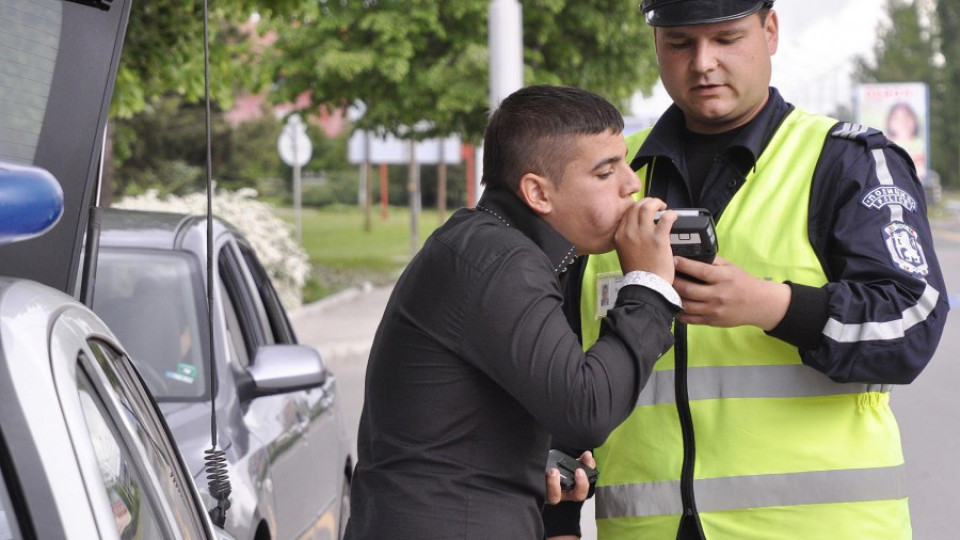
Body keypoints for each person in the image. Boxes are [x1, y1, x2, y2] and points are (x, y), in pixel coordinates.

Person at [544, 1, 950, 539]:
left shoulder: (845, 162)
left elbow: (913, 323)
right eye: (681, 43)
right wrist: (558, 516)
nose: (703, 63)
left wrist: (771, 306)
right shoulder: (611, 175)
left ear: (771, 31)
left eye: (727, 39)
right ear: (657, 45)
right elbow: (553, 368)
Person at [343, 84, 684, 540]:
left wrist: (535, 462)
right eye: (606, 173)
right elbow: (586, 409)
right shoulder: (503, 261)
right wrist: (650, 286)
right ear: (538, 194)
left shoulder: (488, 245)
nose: (631, 184)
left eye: (624, 161)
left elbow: (454, 432)